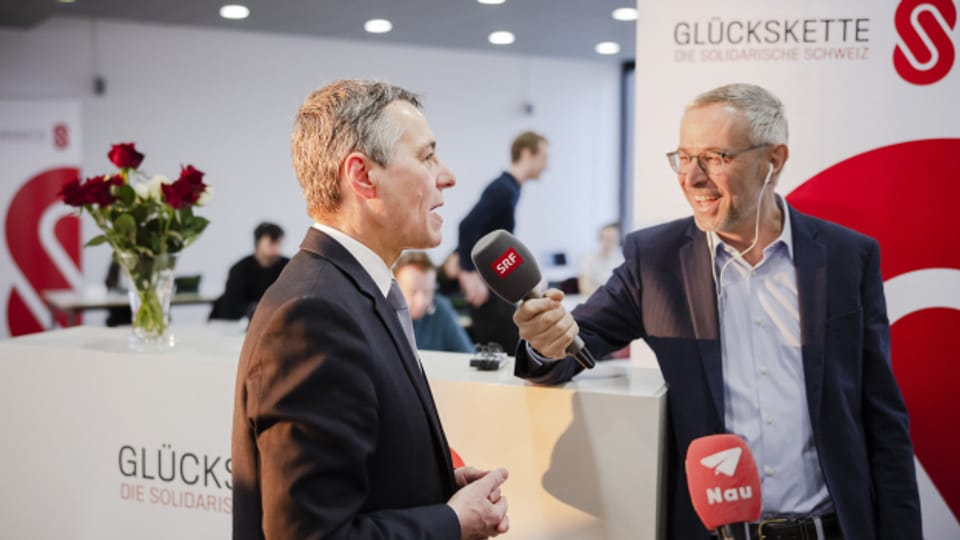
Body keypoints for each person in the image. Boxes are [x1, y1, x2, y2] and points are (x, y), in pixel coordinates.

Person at [512, 83, 921, 539]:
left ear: (774, 160)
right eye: (684, 157)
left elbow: (882, 415)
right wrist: (544, 340)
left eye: (715, 158)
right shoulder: (657, 261)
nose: (692, 177)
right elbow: (571, 345)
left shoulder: (847, 257)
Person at [231, 80, 509, 540]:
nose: (448, 175)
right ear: (362, 176)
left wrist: (437, 491)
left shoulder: (348, 293)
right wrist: (453, 521)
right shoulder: (313, 316)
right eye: (426, 157)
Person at [457, 131, 549, 351]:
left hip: (492, 282)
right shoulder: (503, 189)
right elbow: (467, 225)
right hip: (485, 288)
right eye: (544, 158)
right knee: (508, 346)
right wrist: (468, 273)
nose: (547, 166)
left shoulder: (511, 189)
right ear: (527, 154)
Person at [393, 251, 475, 354]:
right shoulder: (383, 313)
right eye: (413, 292)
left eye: (427, 291)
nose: (421, 302)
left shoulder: (441, 308)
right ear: (395, 289)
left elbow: (468, 355)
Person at [209, 222, 288, 320]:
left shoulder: (289, 267)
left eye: (279, 243)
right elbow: (232, 305)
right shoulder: (239, 269)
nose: (276, 248)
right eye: (272, 242)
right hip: (242, 325)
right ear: (258, 242)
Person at [577, 221, 624, 296]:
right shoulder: (588, 258)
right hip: (594, 299)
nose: (608, 242)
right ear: (600, 238)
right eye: (606, 238)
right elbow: (585, 288)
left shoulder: (624, 258)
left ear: (617, 239)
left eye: (612, 238)